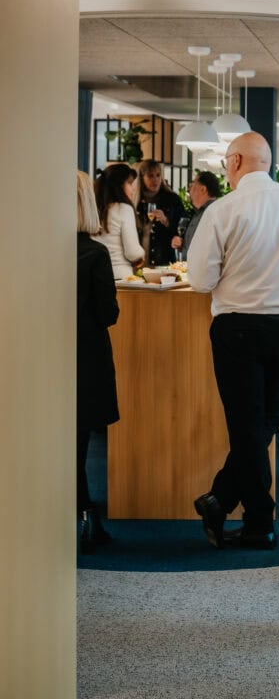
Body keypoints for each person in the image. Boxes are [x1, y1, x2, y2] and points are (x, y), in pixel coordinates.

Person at [188, 132, 279, 550]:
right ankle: (245, 513)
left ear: (237, 161)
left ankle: (234, 507)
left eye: (226, 161)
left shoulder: (223, 209)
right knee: (266, 421)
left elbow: (201, 279)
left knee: (247, 427)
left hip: (238, 326)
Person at [76, 171, 120, 554]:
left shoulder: (31, 252)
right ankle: (83, 515)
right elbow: (108, 314)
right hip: (84, 356)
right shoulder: (94, 254)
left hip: (41, 355)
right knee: (77, 441)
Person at [93, 163, 145, 280]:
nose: (133, 188)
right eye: (130, 183)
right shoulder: (124, 209)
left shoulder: (94, 210)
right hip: (120, 276)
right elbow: (132, 253)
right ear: (118, 185)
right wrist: (141, 253)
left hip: (96, 275)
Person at [135, 159, 184, 267]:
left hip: (164, 259)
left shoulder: (172, 199)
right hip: (139, 260)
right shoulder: (136, 201)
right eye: (150, 176)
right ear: (142, 178)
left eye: (158, 175)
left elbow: (182, 230)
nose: (155, 180)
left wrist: (166, 221)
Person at [170, 171, 221, 259]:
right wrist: (182, 244)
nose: (189, 189)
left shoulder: (214, 213)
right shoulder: (199, 213)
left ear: (203, 189)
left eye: (192, 184)